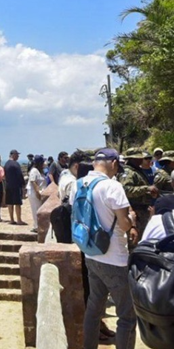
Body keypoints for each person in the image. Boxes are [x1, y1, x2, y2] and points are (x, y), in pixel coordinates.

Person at [70, 148, 137, 349]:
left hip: (91, 253)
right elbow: (125, 225)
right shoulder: (112, 186)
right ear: (114, 163)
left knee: (94, 308)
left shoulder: (78, 184)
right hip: (115, 258)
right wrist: (132, 220)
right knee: (127, 316)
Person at [119, 148, 160, 246]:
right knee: (134, 241)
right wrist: (146, 189)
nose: (141, 160)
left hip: (142, 211)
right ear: (132, 159)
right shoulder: (128, 172)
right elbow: (125, 190)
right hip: (135, 211)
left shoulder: (137, 171)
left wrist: (149, 192)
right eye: (139, 158)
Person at [3, 149, 27, 226]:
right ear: (13, 155)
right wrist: (23, 185)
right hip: (16, 186)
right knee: (17, 203)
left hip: (8, 185)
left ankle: (11, 219)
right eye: (17, 155)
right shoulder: (16, 164)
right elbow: (20, 175)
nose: (18, 156)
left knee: (10, 203)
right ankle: (19, 220)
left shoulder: (6, 164)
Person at [27, 154, 47, 233]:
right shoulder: (34, 170)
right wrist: (37, 192)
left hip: (39, 192)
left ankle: (39, 225)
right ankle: (36, 226)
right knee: (36, 209)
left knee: (39, 209)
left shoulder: (40, 171)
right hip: (34, 193)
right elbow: (33, 182)